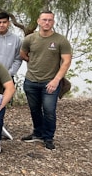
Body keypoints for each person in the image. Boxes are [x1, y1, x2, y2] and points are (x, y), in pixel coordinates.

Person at [19, 11, 72, 150]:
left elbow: (66, 61)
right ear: (38, 21)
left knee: (49, 110)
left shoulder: (61, 40)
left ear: (53, 22)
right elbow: (23, 54)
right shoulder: (30, 39)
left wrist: (56, 80)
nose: (47, 22)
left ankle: (48, 137)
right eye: (44, 20)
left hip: (50, 82)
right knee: (34, 109)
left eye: (50, 20)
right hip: (31, 81)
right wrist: (33, 62)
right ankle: (37, 133)